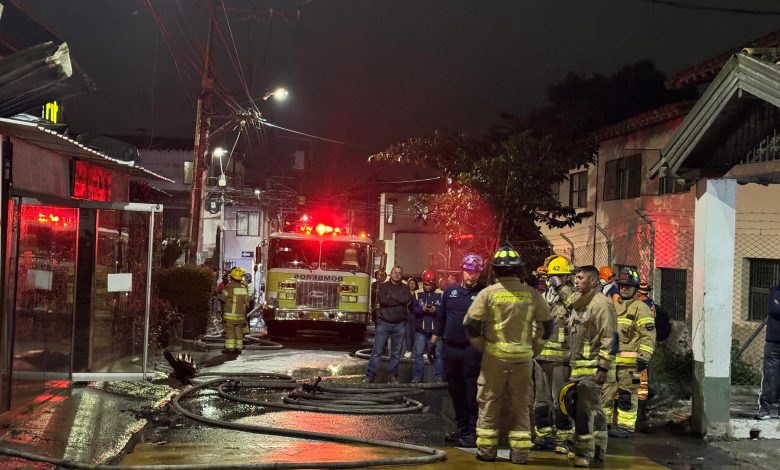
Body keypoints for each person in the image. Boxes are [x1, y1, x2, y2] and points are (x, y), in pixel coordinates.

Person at [464, 246, 553, 464]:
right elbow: (548, 324)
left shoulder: (487, 294)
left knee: (489, 404)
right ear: (519, 270)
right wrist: (535, 348)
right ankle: (520, 454)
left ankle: (486, 451)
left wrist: (481, 345)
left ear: (495, 270)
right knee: (521, 406)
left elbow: (472, 324)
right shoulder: (531, 294)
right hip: (523, 361)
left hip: (493, 358)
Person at [568, 265, 617, 468]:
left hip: (594, 368)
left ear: (593, 280)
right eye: (575, 278)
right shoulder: (580, 303)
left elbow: (610, 338)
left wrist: (603, 368)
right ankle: (598, 450)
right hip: (580, 368)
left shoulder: (601, 304)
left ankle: (585, 453)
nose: (576, 281)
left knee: (585, 411)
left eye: (580, 278)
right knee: (593, 409)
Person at [434, 253, 484, 447]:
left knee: (472, 391)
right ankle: (462, 428)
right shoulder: (450, 291)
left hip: (472, 350)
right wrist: (433, 340)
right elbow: (441, 317)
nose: (472, 276)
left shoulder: (483, 294)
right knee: (455, 390)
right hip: (451, 349)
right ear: (462, 271)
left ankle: (473, 431)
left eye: (476, 272)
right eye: (469, 271)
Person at [602, 268, 656, 438]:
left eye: (628, 286)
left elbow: (648, 336)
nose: (624, 288)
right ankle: (604, 423)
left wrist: (643, 357)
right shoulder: (612, 305)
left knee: (627, 395)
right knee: (606, 394)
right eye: (622, 285)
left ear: (635, 288)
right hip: (610, 361)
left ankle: (625, 427)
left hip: (630, 363)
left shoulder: (641, 308)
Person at [534, 255, 578, 454]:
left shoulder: (572, 297)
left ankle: (565, 438)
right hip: (540, 358)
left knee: (560, 399)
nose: (554, 280)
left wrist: (562, 288)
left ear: (567, 276)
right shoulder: (544, 297)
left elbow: (578, 307)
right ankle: (544, 436)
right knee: (541, 400)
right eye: (553, 276)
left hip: (561, 358)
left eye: (559, 276)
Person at [364, 265, 410, 384]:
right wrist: (397, 300)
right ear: (391, 273)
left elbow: (406, 299)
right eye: (395, 272)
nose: (397, 274)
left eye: (399, 272)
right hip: (384, 323)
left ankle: (392, 376)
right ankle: (370, 376)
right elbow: (384, 300)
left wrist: (391, 298)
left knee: (396, 353)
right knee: (377, 351)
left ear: (402, 275)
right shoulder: (383, 286)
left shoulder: (405, 288)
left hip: (400, 325)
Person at [410, 269, 443, 383]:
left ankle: (439, 377)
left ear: (434, 283)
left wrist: (436, 310)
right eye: (426, 284)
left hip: (435, 330)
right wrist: (421, 309)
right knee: (418, 353)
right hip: (421, 330)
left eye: (430, 284)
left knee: (437, 354)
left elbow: (444, 312)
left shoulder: (441, 294)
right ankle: (418, 376)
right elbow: (413, 310)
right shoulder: (417, 293)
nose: (428, 287)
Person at [756, 282, 780, 420]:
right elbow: (775, 309)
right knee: (770, 375)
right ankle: (765, 408)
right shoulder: (774, 292)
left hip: (773, 342)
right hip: (774, 341)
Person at [217, 267, 249, 354]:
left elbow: (223, 298)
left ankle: (230, 348)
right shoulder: (244, 288)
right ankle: (238, 348)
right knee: (239, 330)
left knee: (230, 331)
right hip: (241, 315)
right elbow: (247, 302)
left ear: (232, 277)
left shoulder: (229, 287)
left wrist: (218, 294)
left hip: (230, 315)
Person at [403, 277, 420, 358]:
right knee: (407, 334)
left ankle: (412, 350)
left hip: (415, 317)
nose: (412, 285)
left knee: (414, 334)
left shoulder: (418, 293)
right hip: (406, 316)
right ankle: (408, 350)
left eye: (413, 283)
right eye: (410, 283)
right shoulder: (405, 293)